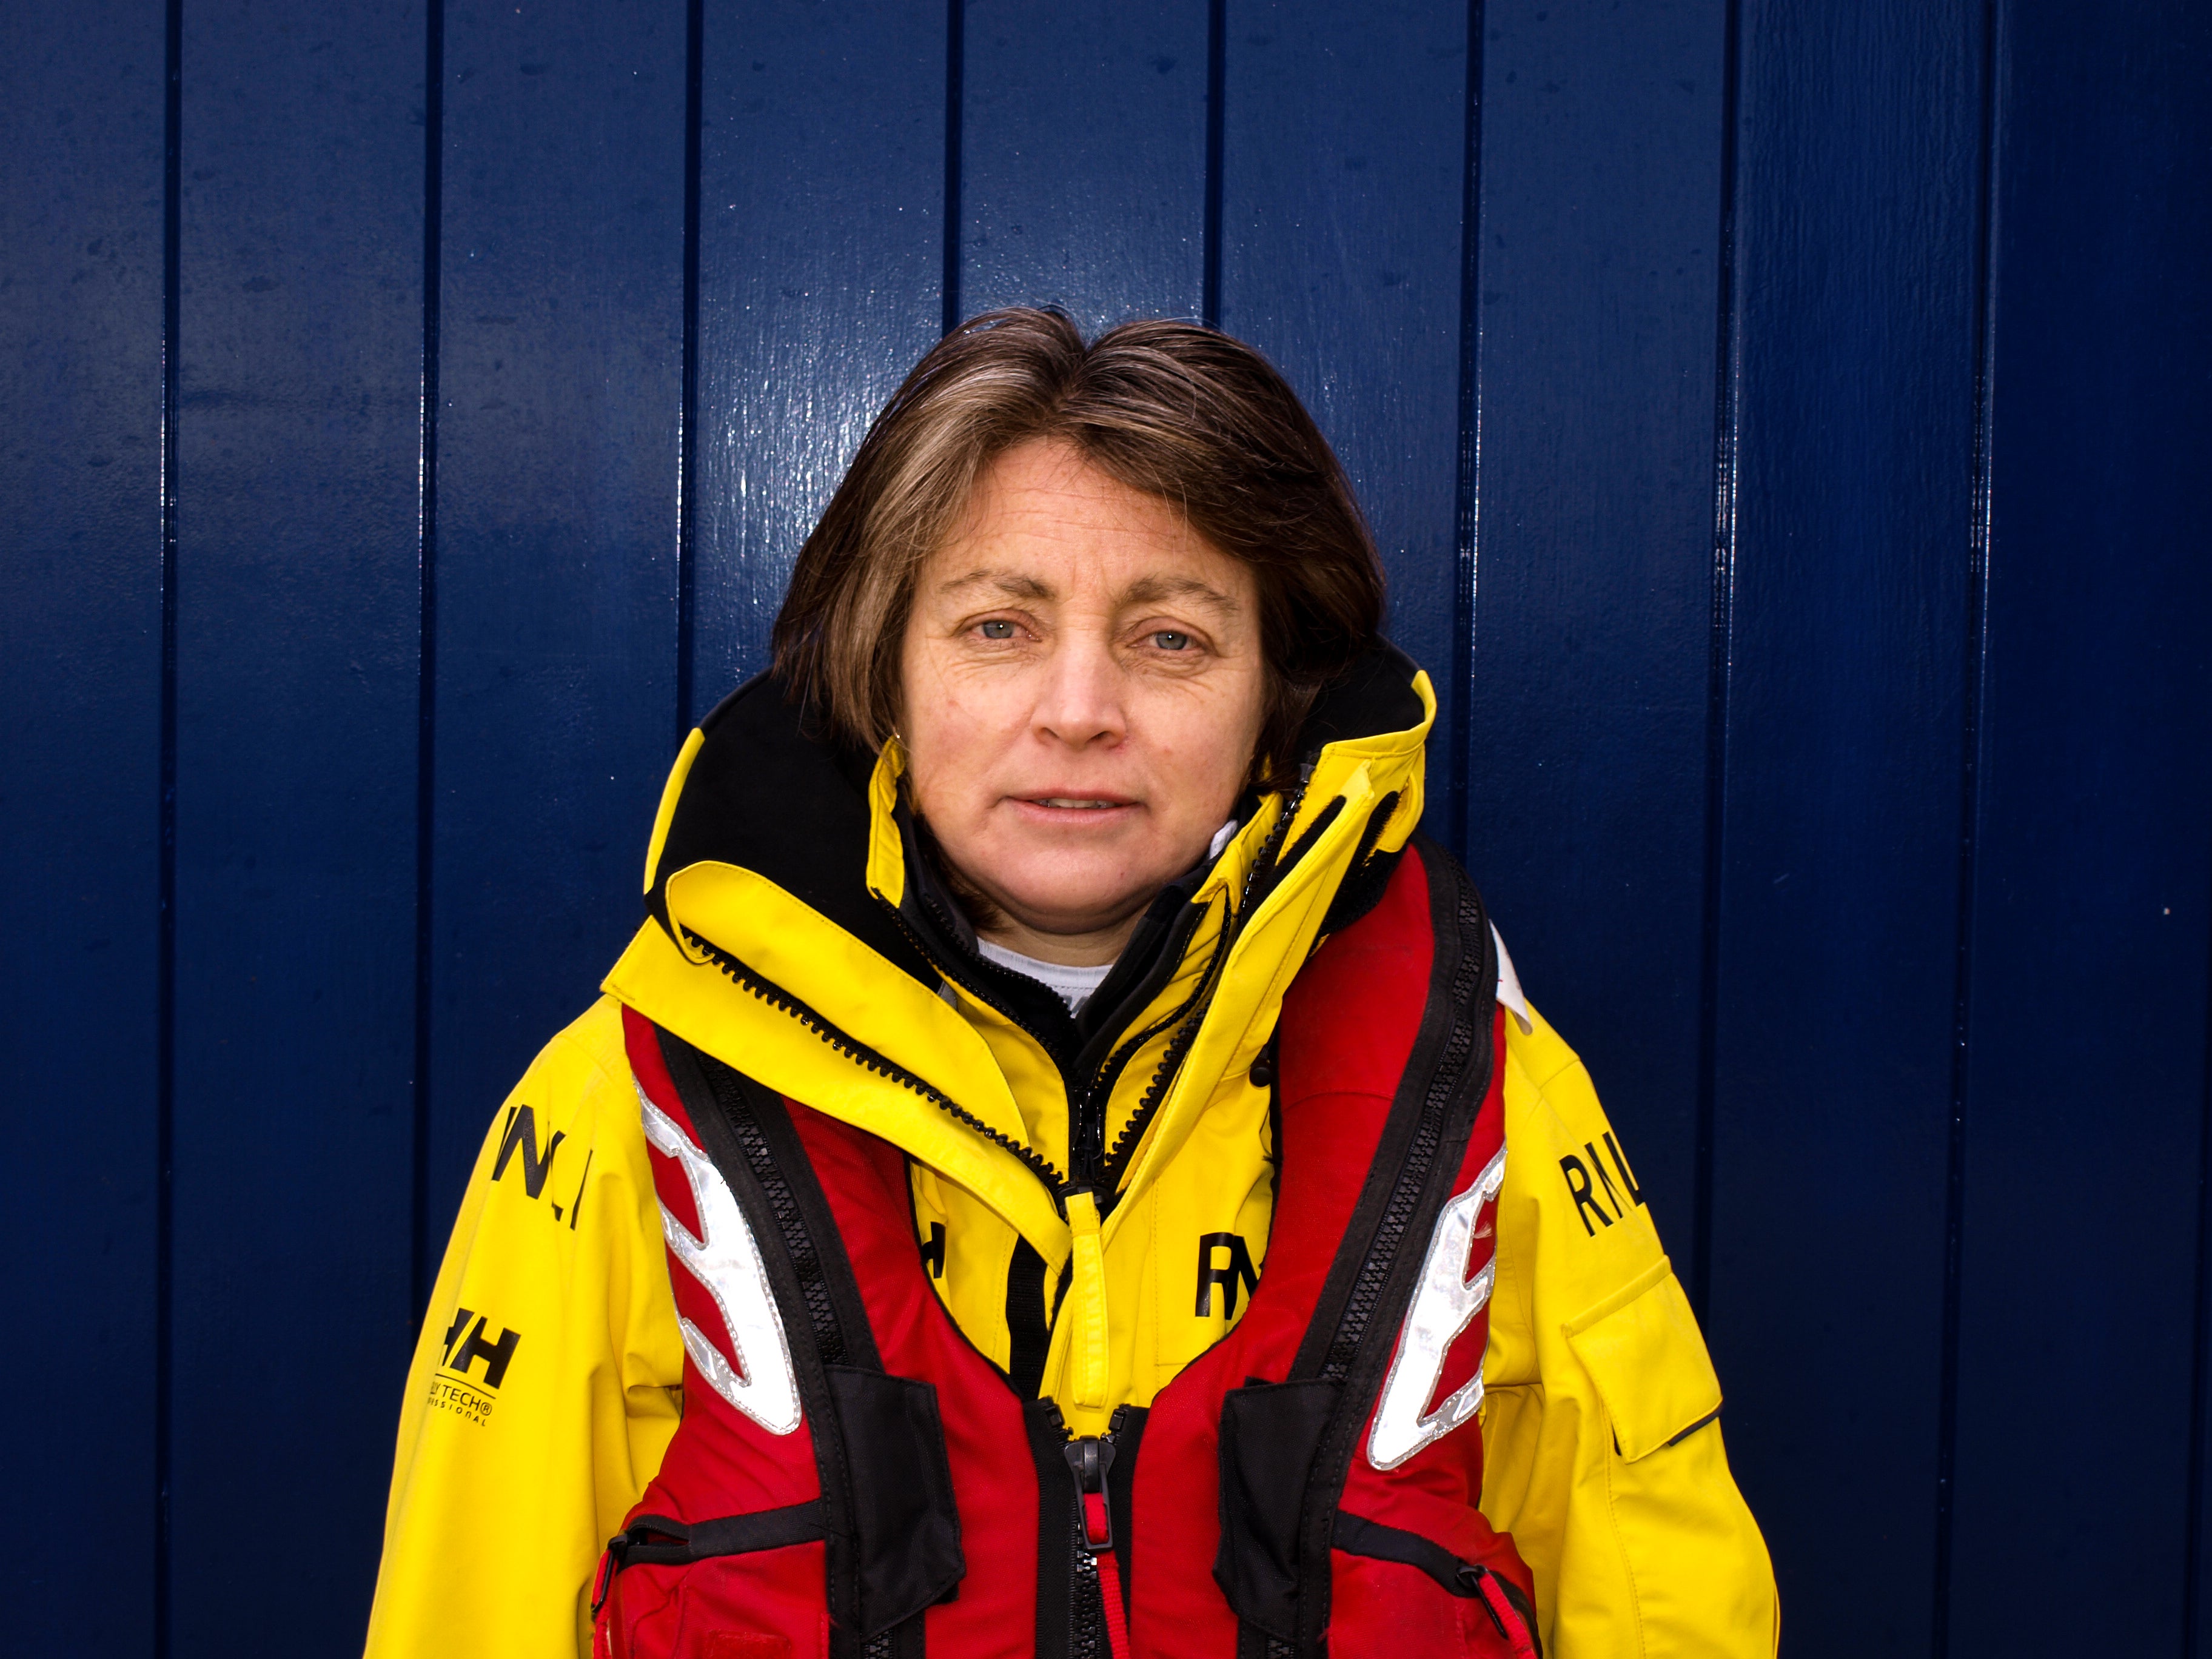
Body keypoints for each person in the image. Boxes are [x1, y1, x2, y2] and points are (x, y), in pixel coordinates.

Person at [363, 309, 1776, 1659]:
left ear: (1272, 695)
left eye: (1172, 637)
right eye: (999, 626)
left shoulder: (1479, 1095)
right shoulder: (628, 1101)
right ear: (885, 674)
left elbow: (1658, 1589)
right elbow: (470, 1603)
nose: (1081, 708)